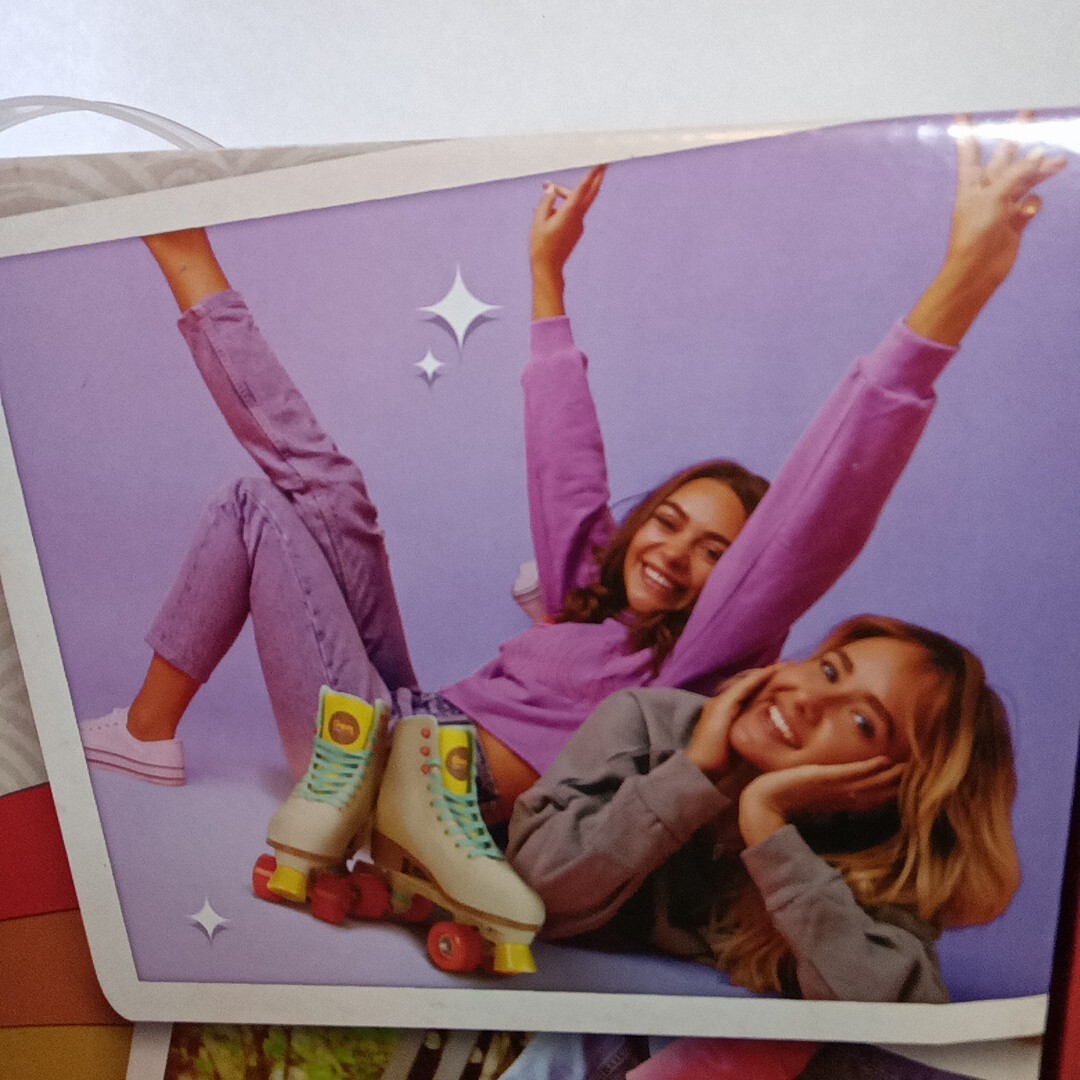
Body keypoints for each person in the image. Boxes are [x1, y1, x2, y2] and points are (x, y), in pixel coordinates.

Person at [80, 117, 1062, 822]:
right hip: (407, 718)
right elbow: (564, 460)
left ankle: (147, 729)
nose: (677, 552)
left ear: (741, 586)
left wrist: (952, 296)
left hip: (386, 773)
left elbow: (817, 513)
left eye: (716, 551)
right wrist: (548, 278)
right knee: (330, 491)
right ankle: (186, 254)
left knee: (258, 505)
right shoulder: (585, 597)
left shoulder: (691, 667)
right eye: (669, 522)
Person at [505, 615, 1019, 1003]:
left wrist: (769, 828)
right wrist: (692, 777)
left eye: (863, 722)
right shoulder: (647, 725)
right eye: (829, 670)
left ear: (888, 790)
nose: (809, 700)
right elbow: (533, 894)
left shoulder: (873, 863)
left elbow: (896, 1029)